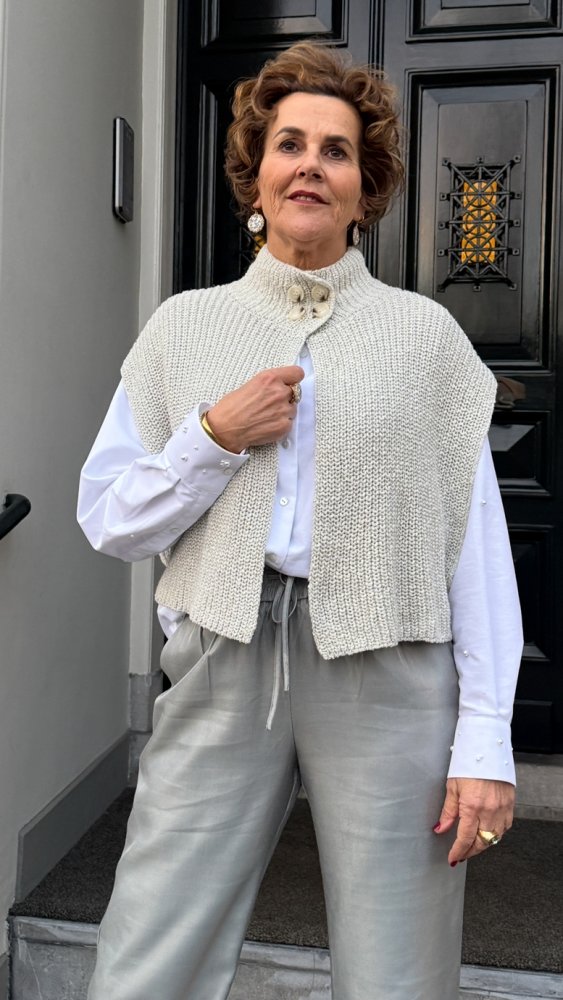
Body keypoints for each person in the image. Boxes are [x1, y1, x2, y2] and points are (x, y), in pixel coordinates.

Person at [78, 41, 523, 1000]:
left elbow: (475, 548)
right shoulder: (183, 327)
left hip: (390, 668)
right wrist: (213, 437)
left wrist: (485, 741)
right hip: (223, 654)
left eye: (336, 151)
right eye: (290, 144)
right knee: (150, 945)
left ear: (366, 190)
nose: (310, 166)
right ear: (256, 174)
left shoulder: (425, 337)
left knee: (399, 964)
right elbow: (110, 518)